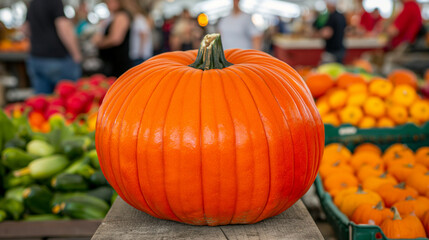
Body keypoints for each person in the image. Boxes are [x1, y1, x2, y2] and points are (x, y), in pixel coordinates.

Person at [24, 0, 82, 94]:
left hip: (35, 58)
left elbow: (25, 28)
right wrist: (76, 54)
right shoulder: (55, 1)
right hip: (57, 59)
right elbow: (63, 28)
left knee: (42, 103)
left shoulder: (33, 2)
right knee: (68, 99)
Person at [92, 0, 132, 77]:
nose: (107, 4)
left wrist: (100, 43)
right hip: (113, 61)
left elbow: (116, 39)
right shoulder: (113, 16)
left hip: (118, 61)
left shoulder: (121, 15)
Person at [124, 0, 153, 66]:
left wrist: (141, 53)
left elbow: (143, 34)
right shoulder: (140, 18)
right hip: (140, 54)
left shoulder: (138, 18)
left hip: (139, 55)